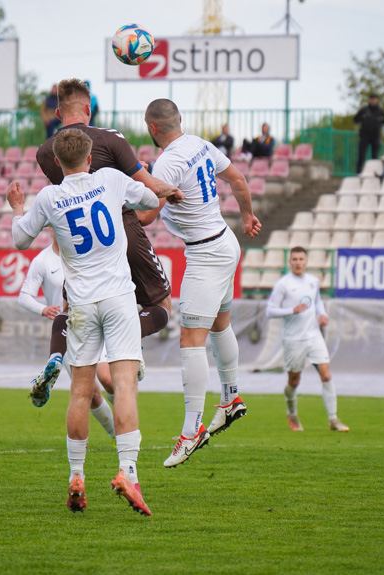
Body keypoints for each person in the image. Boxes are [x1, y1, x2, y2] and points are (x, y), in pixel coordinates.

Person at [8, 128, 174, 515]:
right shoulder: (112, 179)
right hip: (118, 298)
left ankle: (77, 476)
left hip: (79, 304)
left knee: (81, 392)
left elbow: (19, 239)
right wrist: (145, 172)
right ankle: (127, 473)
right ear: (89, 158)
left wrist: (17, 206)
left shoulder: (49, 196)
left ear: (58, 163)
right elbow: (151, 199)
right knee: (125, 386)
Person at [28, 78, 181, 408]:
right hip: (122, 231)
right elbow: (147, 186)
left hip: (80, 247)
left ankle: (58, 354)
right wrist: (171, 190)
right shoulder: (112, 138)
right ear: (88, 109)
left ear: (56, 113)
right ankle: (124, 339)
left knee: (71, 314)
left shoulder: (45, 152)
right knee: (162, 308)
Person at [144, 98, 262, 467]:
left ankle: (192, 429)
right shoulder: (201, 144)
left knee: (190, 340)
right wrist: (248, 216)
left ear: (152, 129)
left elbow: (148, 216)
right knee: (219, 324)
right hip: (226, 240)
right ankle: (230, 398)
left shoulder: (167, 162)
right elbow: (238, 180)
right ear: (179, 120)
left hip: (205, 253)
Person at [18, 228, 116, 440]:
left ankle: (127, 424)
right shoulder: (42, 261)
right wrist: (43, 309)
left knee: (107, 378)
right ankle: (119, 434)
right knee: (91, 393)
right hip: (68, 335)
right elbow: (24, 296)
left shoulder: (85, 254)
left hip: (95, 325)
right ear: (50, 227)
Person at [266, 247, 349, 432]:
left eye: (301, 259)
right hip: (293, 339)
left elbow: (317, 300)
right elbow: (270, 311)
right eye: (294, 259)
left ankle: (333, 419)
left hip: (314, 335)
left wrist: (322, 314)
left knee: (326, 375)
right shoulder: (283, 284)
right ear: (290, 262)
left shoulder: (313, 281)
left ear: (306, 261)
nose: (298, 262)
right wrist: (291, 310)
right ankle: (292, 412)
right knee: (294, 381)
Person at [353, 94, 384, 174]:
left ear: (377, 100)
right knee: (361, 154)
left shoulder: (380, 110)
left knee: (375, 155)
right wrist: (363, 117)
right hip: (365, 135)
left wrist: (380, 120)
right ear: (369, 100)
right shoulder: (364, 109)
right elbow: (355, 119)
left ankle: (374, 171)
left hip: (375, 135)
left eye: (374, 99)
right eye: (371, 99)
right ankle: (359, 171)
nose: (373, 101)